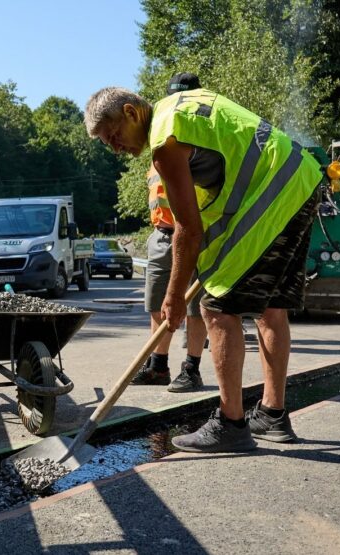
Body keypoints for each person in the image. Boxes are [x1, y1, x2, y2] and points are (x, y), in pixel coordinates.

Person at [84, 84, 322, 452]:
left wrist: (175, 295)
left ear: (131, 113)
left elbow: (187, 229)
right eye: (107, 144)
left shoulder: (164, 142)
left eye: (114, 136)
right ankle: (272, 415)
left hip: (273, 197)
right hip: (302, 180)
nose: (115, 148)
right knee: (271, 308)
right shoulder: (183, 105)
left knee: (216, 307)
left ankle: (231, 424)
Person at [131, 73, 208, 393]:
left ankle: (191, 368)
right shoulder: (160, 139)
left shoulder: (201, 141)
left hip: (193, 236)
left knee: (194, 307)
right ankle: (158, 365)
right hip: (161, 236)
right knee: (157, 305)